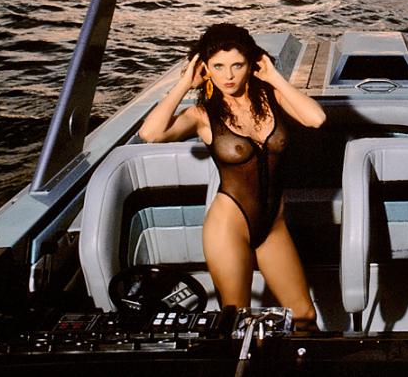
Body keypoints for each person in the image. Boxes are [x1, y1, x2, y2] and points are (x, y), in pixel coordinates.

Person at [139, 23, 325, 328]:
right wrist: (185, 83)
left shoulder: (272, 98)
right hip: (228, 226)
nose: (228, 76)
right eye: (218, 67)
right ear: (205, 69)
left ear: (252, 64)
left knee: (304, 315)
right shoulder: (202, 116)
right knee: (237, 319)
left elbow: (316, 118)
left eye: (237, 65)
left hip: (273, 226)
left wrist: (274, 77)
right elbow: (150, 133)